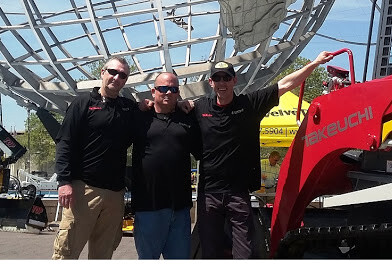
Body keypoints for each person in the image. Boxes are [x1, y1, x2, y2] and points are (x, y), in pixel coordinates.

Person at [193, 51, 334, 259]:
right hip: (209, 195)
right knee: (210, 252)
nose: (221, 82)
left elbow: (285, 84)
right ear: (210, 82)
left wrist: (315, 62)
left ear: (234, 80)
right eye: (217, 78)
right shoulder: (199, 107)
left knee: (245, 253)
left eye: (226, 78)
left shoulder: (249, 104)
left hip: (237, 194)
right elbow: (169, 107)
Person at [52, 56, 137, 260]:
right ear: (102, 72)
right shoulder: (83, 103)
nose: (117, 77)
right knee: (67, 251)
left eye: (122, 75)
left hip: (115, 194)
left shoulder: (128, 108)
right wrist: (64, 181)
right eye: (113, 72)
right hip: (84, 189)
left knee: (103, 255)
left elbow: (154, 112)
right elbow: (65, 141)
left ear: (125, 80)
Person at [131, 72, 202, 259]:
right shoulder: (138, 117)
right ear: (153, 91)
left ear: (179, 93)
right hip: (148, 206)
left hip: (180, 208)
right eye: (163, 88)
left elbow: (203, 151)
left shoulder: (187, 118)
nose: (168, 92)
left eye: (173, 89)